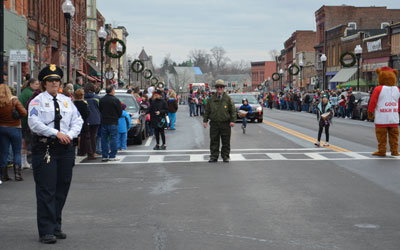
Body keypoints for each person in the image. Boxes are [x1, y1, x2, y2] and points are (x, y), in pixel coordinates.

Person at [27, 64, 83, 244]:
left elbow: (78, 121)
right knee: (46, 189)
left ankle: (56, 225)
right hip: (46, 149)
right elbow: (33, 123)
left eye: (56, 80)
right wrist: (55, 133)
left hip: (65, 149)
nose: (54, 83)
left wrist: (70, 135)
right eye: (50, 80)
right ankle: (46, 230)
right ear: (44, 83)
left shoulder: (67, 101)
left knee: (62, 188)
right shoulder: (37, 101)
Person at [0, 84, 27, 183]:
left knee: (3, 151)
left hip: (2, 128)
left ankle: (3, 175)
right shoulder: (14, 101)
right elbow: (24, 113)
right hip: (15, 128)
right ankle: (17, 175)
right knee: (16, 152)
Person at [203, 79, 236, 163]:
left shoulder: (228, 99)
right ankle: (214, 156)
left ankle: (225, 156)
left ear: (223, 88)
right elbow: (207, 110)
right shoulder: (211, 99)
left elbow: (233, 111)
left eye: (221, 87)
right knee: (214, 140)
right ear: (216, 88)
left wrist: (232, 121)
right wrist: (205, 120)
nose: (219, 88)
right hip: (214, 123)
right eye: (218, 87)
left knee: (226, 141)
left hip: (225, 123)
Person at [19, 78, 40, 169]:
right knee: (29, 142)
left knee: (24, 142)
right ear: (31, 84)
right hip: (26, 121)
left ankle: (23, 161)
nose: (37, 85)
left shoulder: (25, 92)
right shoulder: (31, 94)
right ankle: (26, 162)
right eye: (36, 84)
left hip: (22, 121)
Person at [99, 85, 122, 161]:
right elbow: (120, 112)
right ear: (112, 91)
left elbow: (100, 110)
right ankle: (112, 155)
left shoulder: (102, 100)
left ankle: (104, 155)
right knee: (114, 139)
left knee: (104, 139)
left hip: (104, 121)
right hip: (113, 121)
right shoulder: (116, 100)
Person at [84, 83, 101, 160]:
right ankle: (93, 152)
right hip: (95, 119)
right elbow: (100, 108)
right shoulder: (97, 98)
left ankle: (89, 152)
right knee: (93, 136)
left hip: (86, 119)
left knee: (87, 137)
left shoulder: (83, 98)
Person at [73, 89, 90, 157]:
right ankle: (82, 151)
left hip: (75, 122)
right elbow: (86, 114)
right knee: (83, 138)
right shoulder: (84, 103)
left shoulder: (73, 103)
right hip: (83, 122)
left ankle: (77, 150)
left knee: (76, 136)